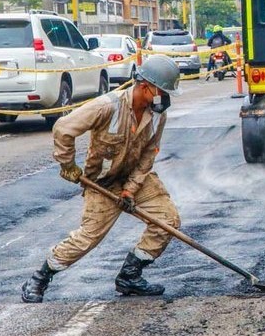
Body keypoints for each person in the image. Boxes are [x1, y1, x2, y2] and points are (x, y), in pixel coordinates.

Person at [21, 56, 183, 303]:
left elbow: (149, 155)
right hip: (102, 183)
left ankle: (130, 276)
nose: (165, 97)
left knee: (167, 220)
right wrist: (68, 165)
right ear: (144, 85)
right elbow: (64, 128)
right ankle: (40, 278)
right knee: (88, 238)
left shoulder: (158, 114)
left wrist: (130, 190)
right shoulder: (107, 106)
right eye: (162, 91)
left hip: (136, 178)